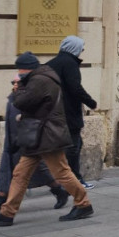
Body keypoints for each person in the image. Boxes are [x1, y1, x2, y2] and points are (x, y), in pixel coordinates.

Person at [0, 53, 93, 226]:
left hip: (47, 136)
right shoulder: (40, 77)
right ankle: (7, 213)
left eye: (20, 69)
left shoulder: (40, 80)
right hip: (38, 136)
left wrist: (17, 89)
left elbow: (22, 102)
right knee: (20, 173)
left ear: (26, 68)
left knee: (61, 172)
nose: (18, 72)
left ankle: (83, 204)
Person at [45, 35, 98, 189]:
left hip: (55, 112)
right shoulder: (69, 64)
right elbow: (75, 88)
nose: (82, 50)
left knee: (69, 147)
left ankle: (63, 180)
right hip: (68, 113)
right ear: (74, 48)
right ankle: (74, 181)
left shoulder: (53, 63)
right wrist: (91, 102)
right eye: (81, 47)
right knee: (74, 147)